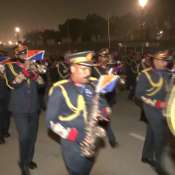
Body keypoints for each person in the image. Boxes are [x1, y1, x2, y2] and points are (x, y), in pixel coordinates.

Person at [46, 51, 111, 175]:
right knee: (77, 171)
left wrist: (104, 112)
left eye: (89, 69)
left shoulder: (94, 84)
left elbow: (103, 104)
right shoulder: (59, 89)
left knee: (86, 169)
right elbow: (51, 122)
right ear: (72, 68)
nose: (87, 73)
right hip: (72, 145)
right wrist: (73, 136)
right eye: (83, 69)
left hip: (92, 141)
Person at [5, 46, 42, 175]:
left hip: (33, 107)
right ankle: (23, 163)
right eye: (22, 54)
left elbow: (41, 83)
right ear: (17, 55)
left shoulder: (33, 66)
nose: (25, 56)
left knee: (32, 137)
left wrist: (36, 72)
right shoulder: (10, 67)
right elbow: (12, 84)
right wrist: (26, 70)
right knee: (24, 136)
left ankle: (28, 159)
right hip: (19, 108)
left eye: (27, 54)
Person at [135, 51, 171, 175]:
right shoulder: (146, 74)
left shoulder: (167, 73)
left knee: (151, 132)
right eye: (163, 60)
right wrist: (157, 104)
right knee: (160, 136)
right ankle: (158, 163)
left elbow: (168, 90)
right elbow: (139, 94)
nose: (165, 63)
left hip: (165, 108)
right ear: (155, 61)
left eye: (166, 60)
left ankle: (145, 155)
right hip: (151, 109)